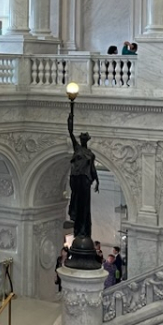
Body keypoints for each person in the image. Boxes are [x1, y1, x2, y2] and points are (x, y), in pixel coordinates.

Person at [66, 98, 99, 238]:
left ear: (87, 140)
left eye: (85, 138)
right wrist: (71, 114)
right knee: (77, 202)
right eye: (82, 138)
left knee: (84, 207)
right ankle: (78, 229)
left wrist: (97, 181)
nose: (83, 140)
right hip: (76, 178)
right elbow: (70, 132)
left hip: (85, 180)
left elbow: (92, 169)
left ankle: (83, 230)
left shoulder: (90, 154)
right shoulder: (77, 148)